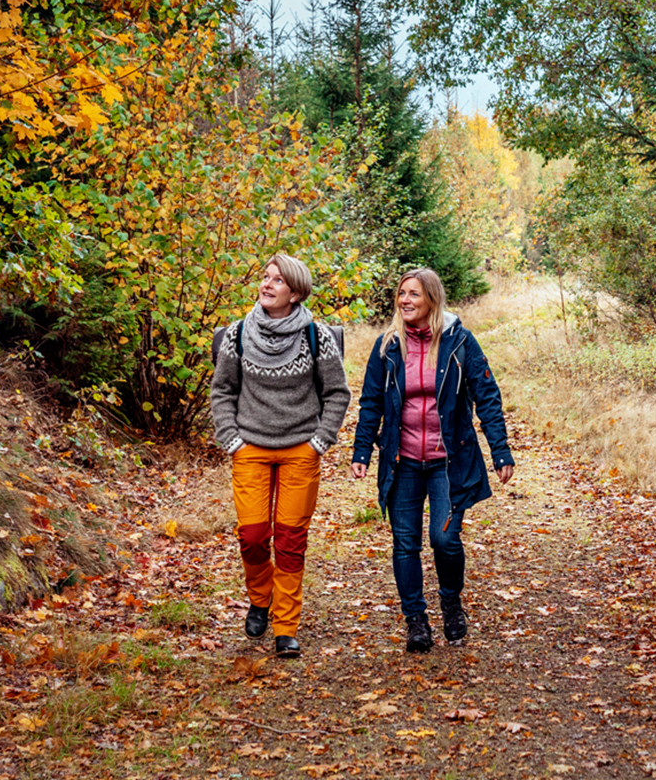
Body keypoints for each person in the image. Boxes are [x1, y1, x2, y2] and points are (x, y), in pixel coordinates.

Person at [350, 267, 515, 653]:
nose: (405, 300)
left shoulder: (459, 342)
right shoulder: (388, 346)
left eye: (414, 294)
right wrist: (362, 450)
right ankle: (416, 621)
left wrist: (500, 450)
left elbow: (487, 395)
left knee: (444, 539)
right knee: (405, 543)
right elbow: (371, 401)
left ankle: (451, 602)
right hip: (402, 461)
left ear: (432, 299)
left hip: (448, 461)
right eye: (401, 293)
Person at [211, 253, 351, 659]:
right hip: (250, 449)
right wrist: (231, 439)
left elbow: (337, 393)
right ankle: (260, 600)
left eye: (277, 280)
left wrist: (320, 441)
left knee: (290, 542)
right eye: (265, 277)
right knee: (253, 537)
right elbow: (222, 390)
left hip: (300, 451)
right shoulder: (238, 334)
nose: (266, 285)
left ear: (295, 292)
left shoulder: (317, 336)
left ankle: (285, 628)